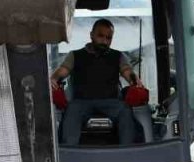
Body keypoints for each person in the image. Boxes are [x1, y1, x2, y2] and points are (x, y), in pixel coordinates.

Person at [50, 18, 141, 146]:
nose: (104, 40)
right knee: (71, 109)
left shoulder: (118, 56)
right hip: (81, 102)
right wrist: (53, 78)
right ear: (91, 35)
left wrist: (134, 80)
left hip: (111, 102)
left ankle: (129, 153)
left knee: (125, 110)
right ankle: (69, 153)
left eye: (108, 38)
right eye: (100, 36)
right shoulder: (75, 55)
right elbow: (62, 71)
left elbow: (127, 71)